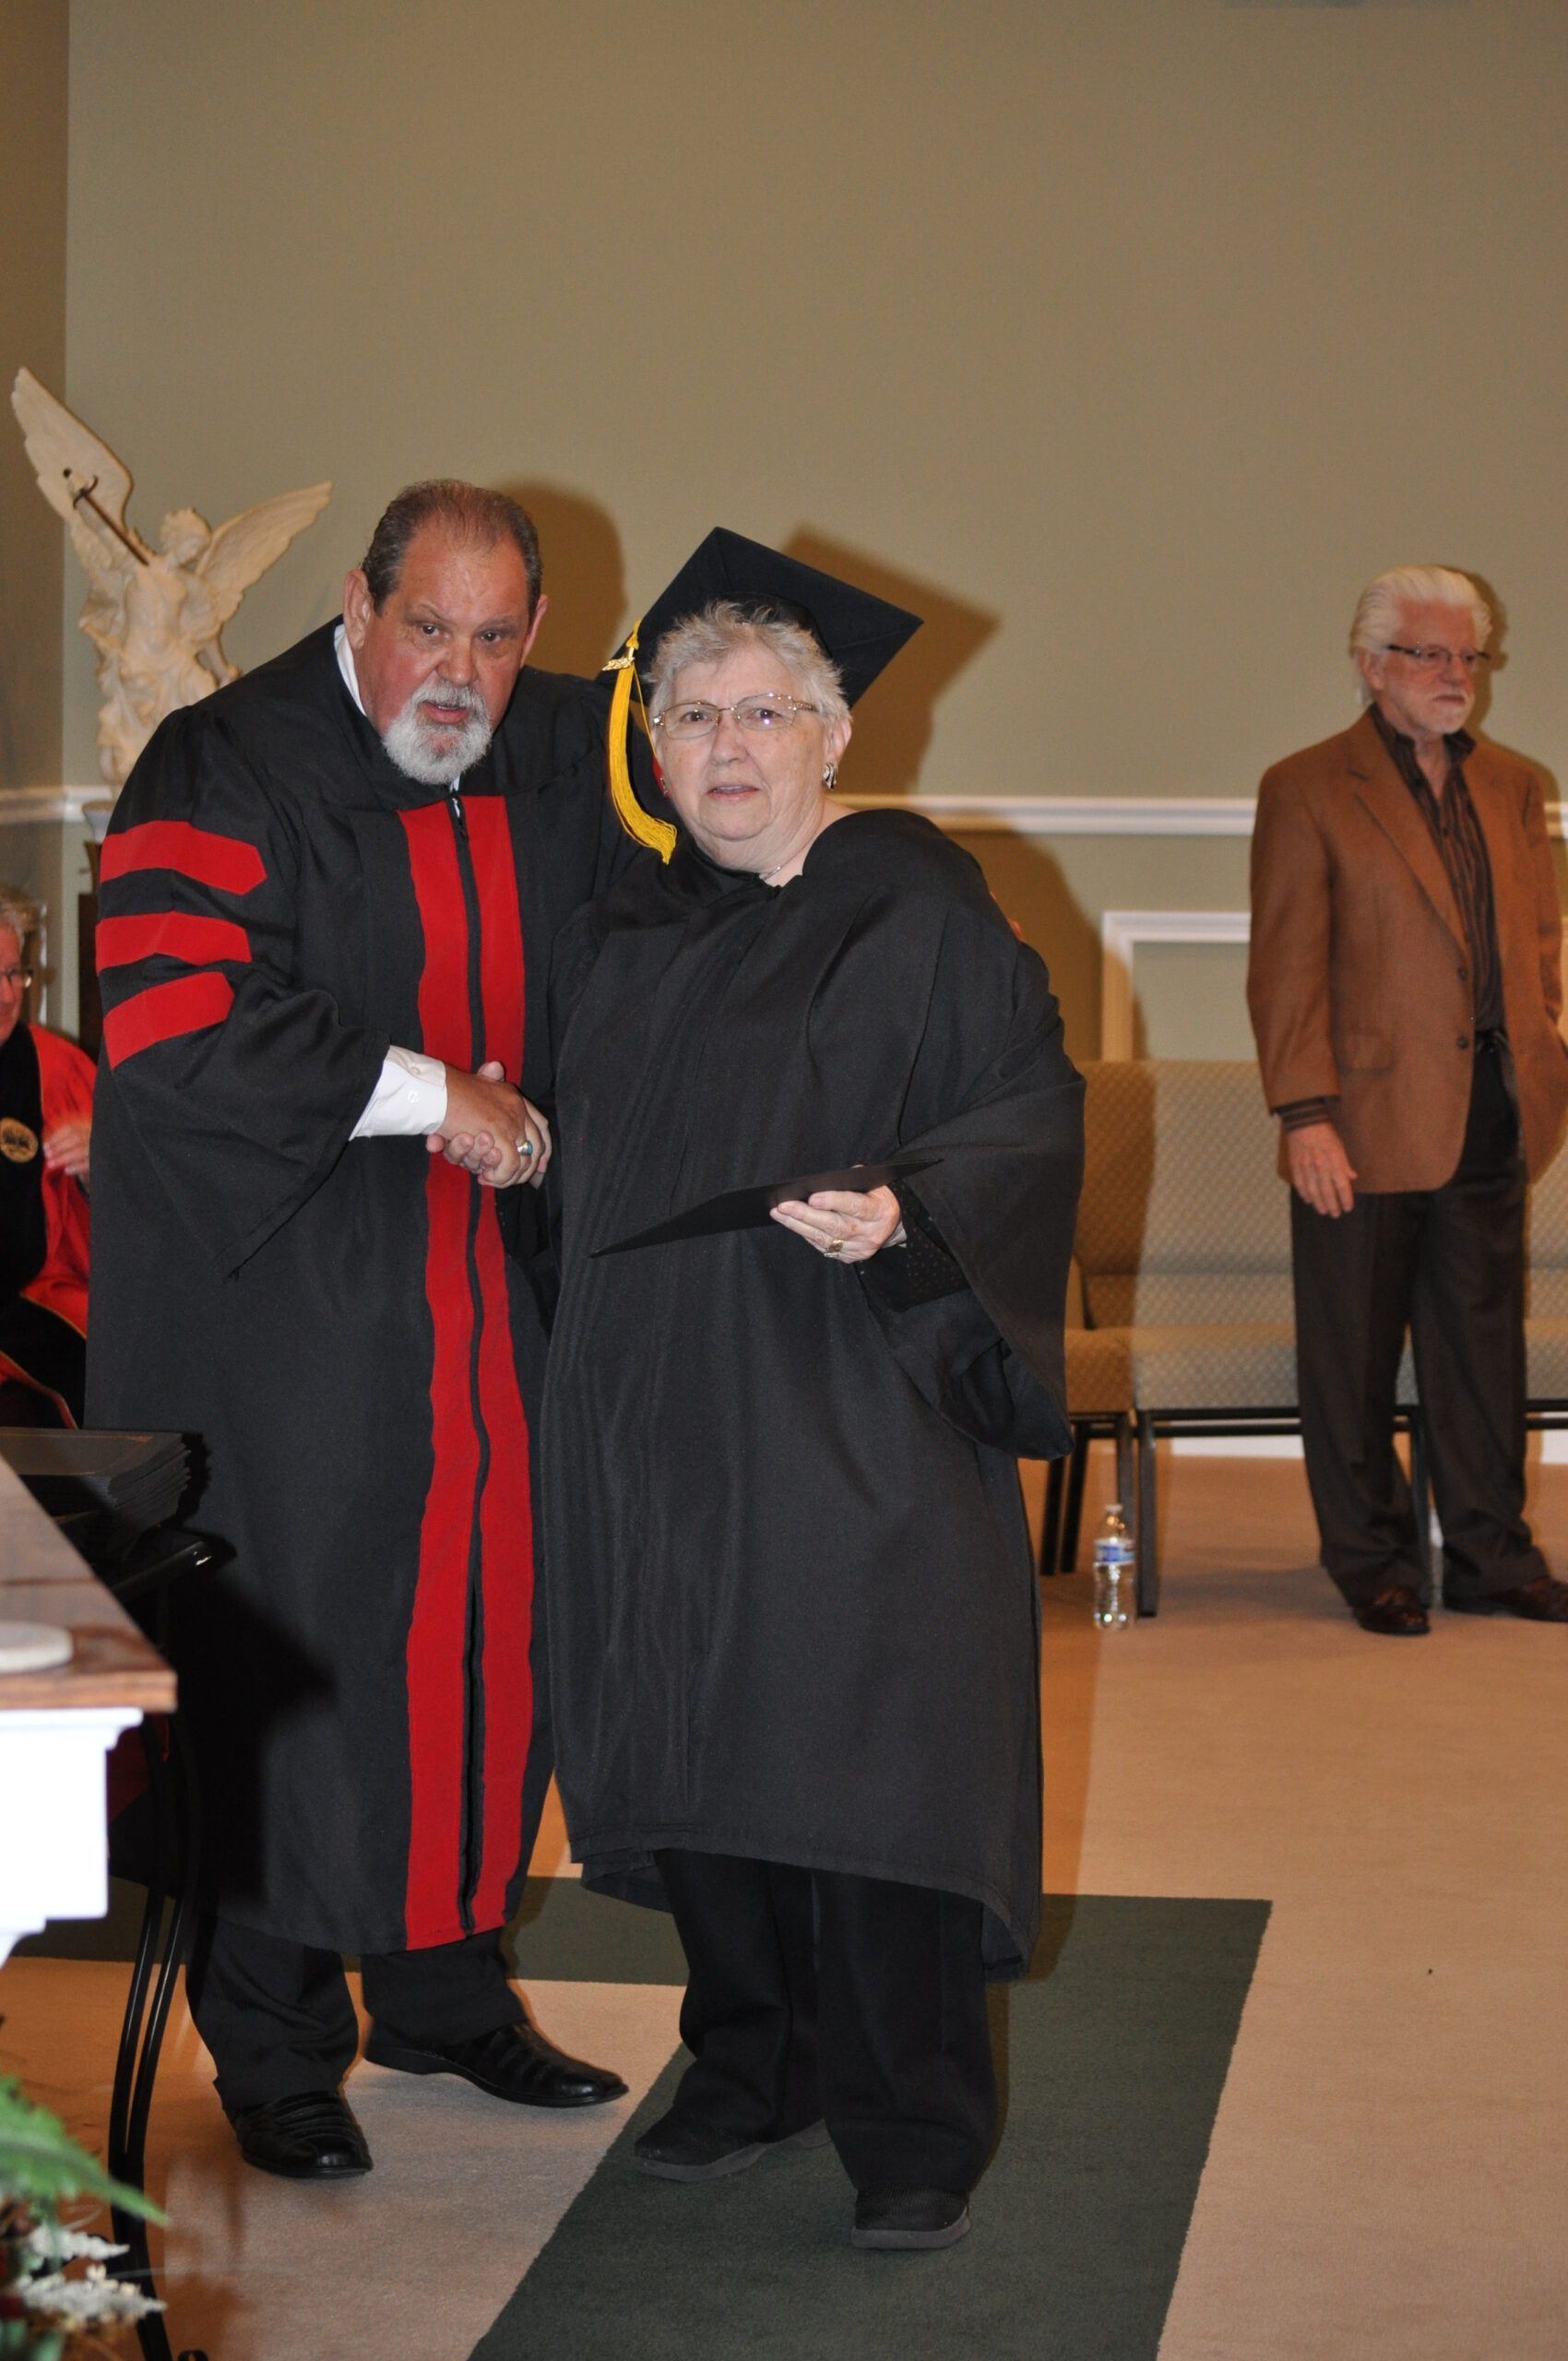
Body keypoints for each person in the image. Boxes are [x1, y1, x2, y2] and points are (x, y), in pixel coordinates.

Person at [532, 532, 1083, 2250]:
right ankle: (749, 2057)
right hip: (658, 1407)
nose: (725, 747)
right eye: (690, 715)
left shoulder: (918, 901)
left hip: (852, 1395)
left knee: (872, 1754)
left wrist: (914, 1214)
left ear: (836, 735)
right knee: (705, 1734)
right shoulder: (630, 929)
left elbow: (1026, 1112)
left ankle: (912, 2111)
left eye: (765, 711)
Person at [88, 481, 634, 2182]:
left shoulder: (555, 751)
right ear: (355, 600)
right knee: (301, 1646)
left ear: (533, 634)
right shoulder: (222, 758)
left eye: (491, 635)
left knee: (481, 1634)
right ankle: (271, 2042)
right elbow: (174, 1017)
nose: (453, 673)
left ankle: (446, 1990)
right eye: (424, 627)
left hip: (492, 1292)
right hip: (288, 1296)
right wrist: (433, 1097)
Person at [1248, 564, 1568, 1636]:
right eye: (1427, 653)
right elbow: (1284, 965)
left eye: (1465, 655)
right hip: (1358, 1117)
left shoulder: (1513, 786)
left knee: (1480, 1351)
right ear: (1369, 664)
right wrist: (1304, 1114)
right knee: (1350, 1350)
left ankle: (1489, 1554)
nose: (1453, 675)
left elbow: (1535, 945)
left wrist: (1542, 1046)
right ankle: (1372, 1560)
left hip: (1491, 1106)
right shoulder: (1304, 786)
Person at [0, 884, 94, 1427]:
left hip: (41, 1290)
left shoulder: (54, 1068)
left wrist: (102, 1159)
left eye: (16, 974)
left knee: (109, 1345)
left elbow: (141, 1185)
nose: (10, 993)